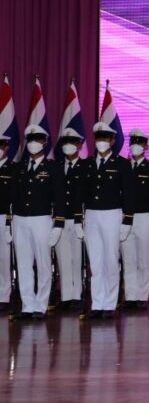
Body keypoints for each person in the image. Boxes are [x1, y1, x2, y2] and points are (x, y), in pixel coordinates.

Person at [76, 121, 134, 319]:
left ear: (112, 141)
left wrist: (127, 220)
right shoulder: (87, 164)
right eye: (99, 138)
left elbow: (129, 194)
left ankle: (109, 304)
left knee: (110, 259)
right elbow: (79, 194)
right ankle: (97, 303)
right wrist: (78, 219)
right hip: (92, 215)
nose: (102, 141)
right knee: (95, 261)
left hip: (112, 214)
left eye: (105, 138)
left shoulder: (122, 164)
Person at [10, 125, 65, 319]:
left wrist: (58, 224)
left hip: (41, 219)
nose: (33, 143)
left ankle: (40, 305)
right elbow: (13, 197)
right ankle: (27, 305)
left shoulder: (53, 168)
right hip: (20, 219)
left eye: (38, 139)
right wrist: (9, 223)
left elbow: (60, 197)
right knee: (23, 264)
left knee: (43, 262)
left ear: (45, 142)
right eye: (31, 140)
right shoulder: (19, 167)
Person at [123, 128, 149, 310]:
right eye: (133, 142)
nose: (136, 146)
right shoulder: (123, 166)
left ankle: (142, 296)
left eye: (140, 143)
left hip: (144, 217)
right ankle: (130, 296)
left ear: (146, 146)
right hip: (124, 218)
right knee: (128, 258)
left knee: (143, 259)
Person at [55, 128, 85, 310]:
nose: (69, 146)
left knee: (77, 258)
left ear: (79, 145)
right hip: (60, 219)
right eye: (65, 142)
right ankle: (66, 297)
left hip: (78, 219)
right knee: (63, 258)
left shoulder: (86, 166)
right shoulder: (56, 166)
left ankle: (77, 295)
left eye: (73, 142)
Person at [0, 135, 14, 312]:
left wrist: (10, 221)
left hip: (4, 216)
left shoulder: (12, 169)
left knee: (4, 257)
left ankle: (3, 296)